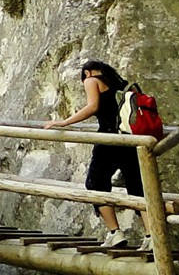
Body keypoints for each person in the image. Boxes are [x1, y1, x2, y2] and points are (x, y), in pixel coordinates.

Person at [45, 60, 146, 248]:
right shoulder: (121, 84)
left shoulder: (92, 80)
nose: (85, 80)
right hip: (130, 140)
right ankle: (151, 237)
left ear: (89, 72)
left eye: (84, 75)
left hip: (109, 140)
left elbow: (93, 107)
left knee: (96, 183)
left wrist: (64, 122)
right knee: (137, 188)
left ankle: (115, 233)